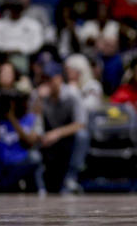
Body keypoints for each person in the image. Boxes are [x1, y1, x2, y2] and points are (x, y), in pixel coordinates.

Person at [36, 62, 88, 194]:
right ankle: (38, 182)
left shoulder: (72, 94)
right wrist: (38, 101)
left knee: (83, 135)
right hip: (47, 138)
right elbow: (34, 123)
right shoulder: (39, 96)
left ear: (59, 78)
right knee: (33, 136)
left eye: (50, 79)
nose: (46, 82)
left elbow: (81, 123)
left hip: (67, 138)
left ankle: (71, 178)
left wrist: (57, 133)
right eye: (44, 79)